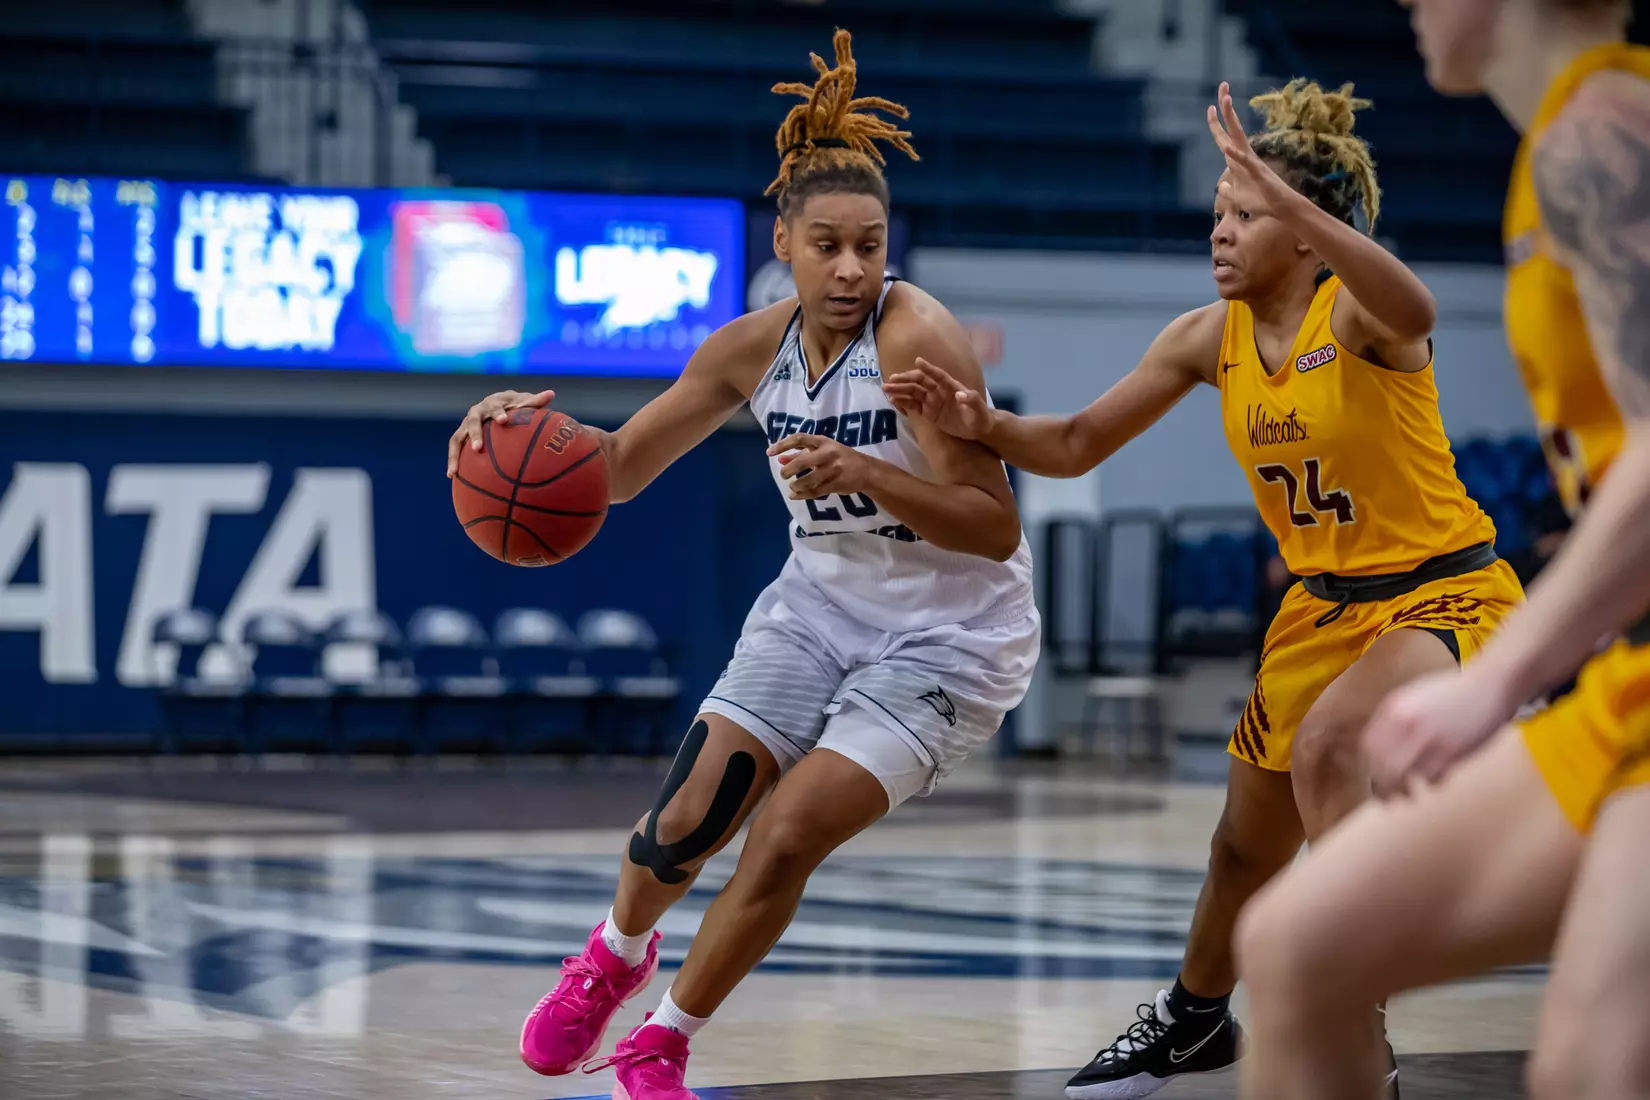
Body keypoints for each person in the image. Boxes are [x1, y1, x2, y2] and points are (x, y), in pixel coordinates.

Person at [883, 78, 1523, 1099]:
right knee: (1242, 843)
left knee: (1332, 745)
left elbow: (1422, 304)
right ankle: (1192, 1019)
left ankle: (1351, 1019)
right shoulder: (1203, 338)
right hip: (1322, 609)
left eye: (1244, 214)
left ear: (1307, 234)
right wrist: (985, 423)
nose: (1219, 234)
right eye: (1217, 215)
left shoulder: (1356, 312)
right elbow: (1081, 441)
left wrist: (1304, 203)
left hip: (1443, 593)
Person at [444, 31, 1039, 1100]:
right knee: (689, 816)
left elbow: (991, 526)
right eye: (829, 244)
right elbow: (616, 469)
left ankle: (661, 1039)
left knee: (790, 828)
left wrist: (863, 466)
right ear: (787, 242)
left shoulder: (922, 339)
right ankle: (614, 956)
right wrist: (505, 429)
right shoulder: (745, 349)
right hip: (818, 604)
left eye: (871, 242)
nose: (854, 266)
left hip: (953, 633)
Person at [1233, 2, 1650, 1098]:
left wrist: (1498, 681)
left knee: (1593, 1064)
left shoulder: (1602, 136)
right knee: (1293, 953)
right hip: (1630, 680)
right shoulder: (1561, 140)